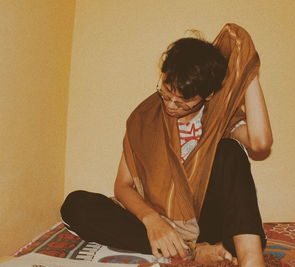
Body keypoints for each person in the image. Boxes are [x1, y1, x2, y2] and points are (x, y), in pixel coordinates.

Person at [60, 24, 272, 267]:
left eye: (183, 103)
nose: (171, 106)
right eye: (166, 93)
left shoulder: (218, 117)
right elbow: (123, 185)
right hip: (162, 220)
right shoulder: (145, 118)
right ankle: (192, 250)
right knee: (76, 205)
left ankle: (249, 258)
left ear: (208, 95)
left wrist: (247, 74)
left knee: (230, 151)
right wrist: (153, 221)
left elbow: (261, 143)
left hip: (209, 224)